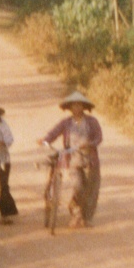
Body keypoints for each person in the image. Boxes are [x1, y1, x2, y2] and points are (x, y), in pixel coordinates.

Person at [40, 91, 103, 227]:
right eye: (74, 105)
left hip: (90, 159)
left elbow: (99, 137)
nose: (76, 108)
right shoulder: (66, 123)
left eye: (79, 105)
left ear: (84, 107)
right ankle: (76, 212)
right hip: (73, 159)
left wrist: (90, 144)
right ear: (69, 107)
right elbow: (54, 132)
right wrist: (45, 140)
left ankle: (86, 218)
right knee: (78, 186)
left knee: (91, 190)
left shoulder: (92, 121)